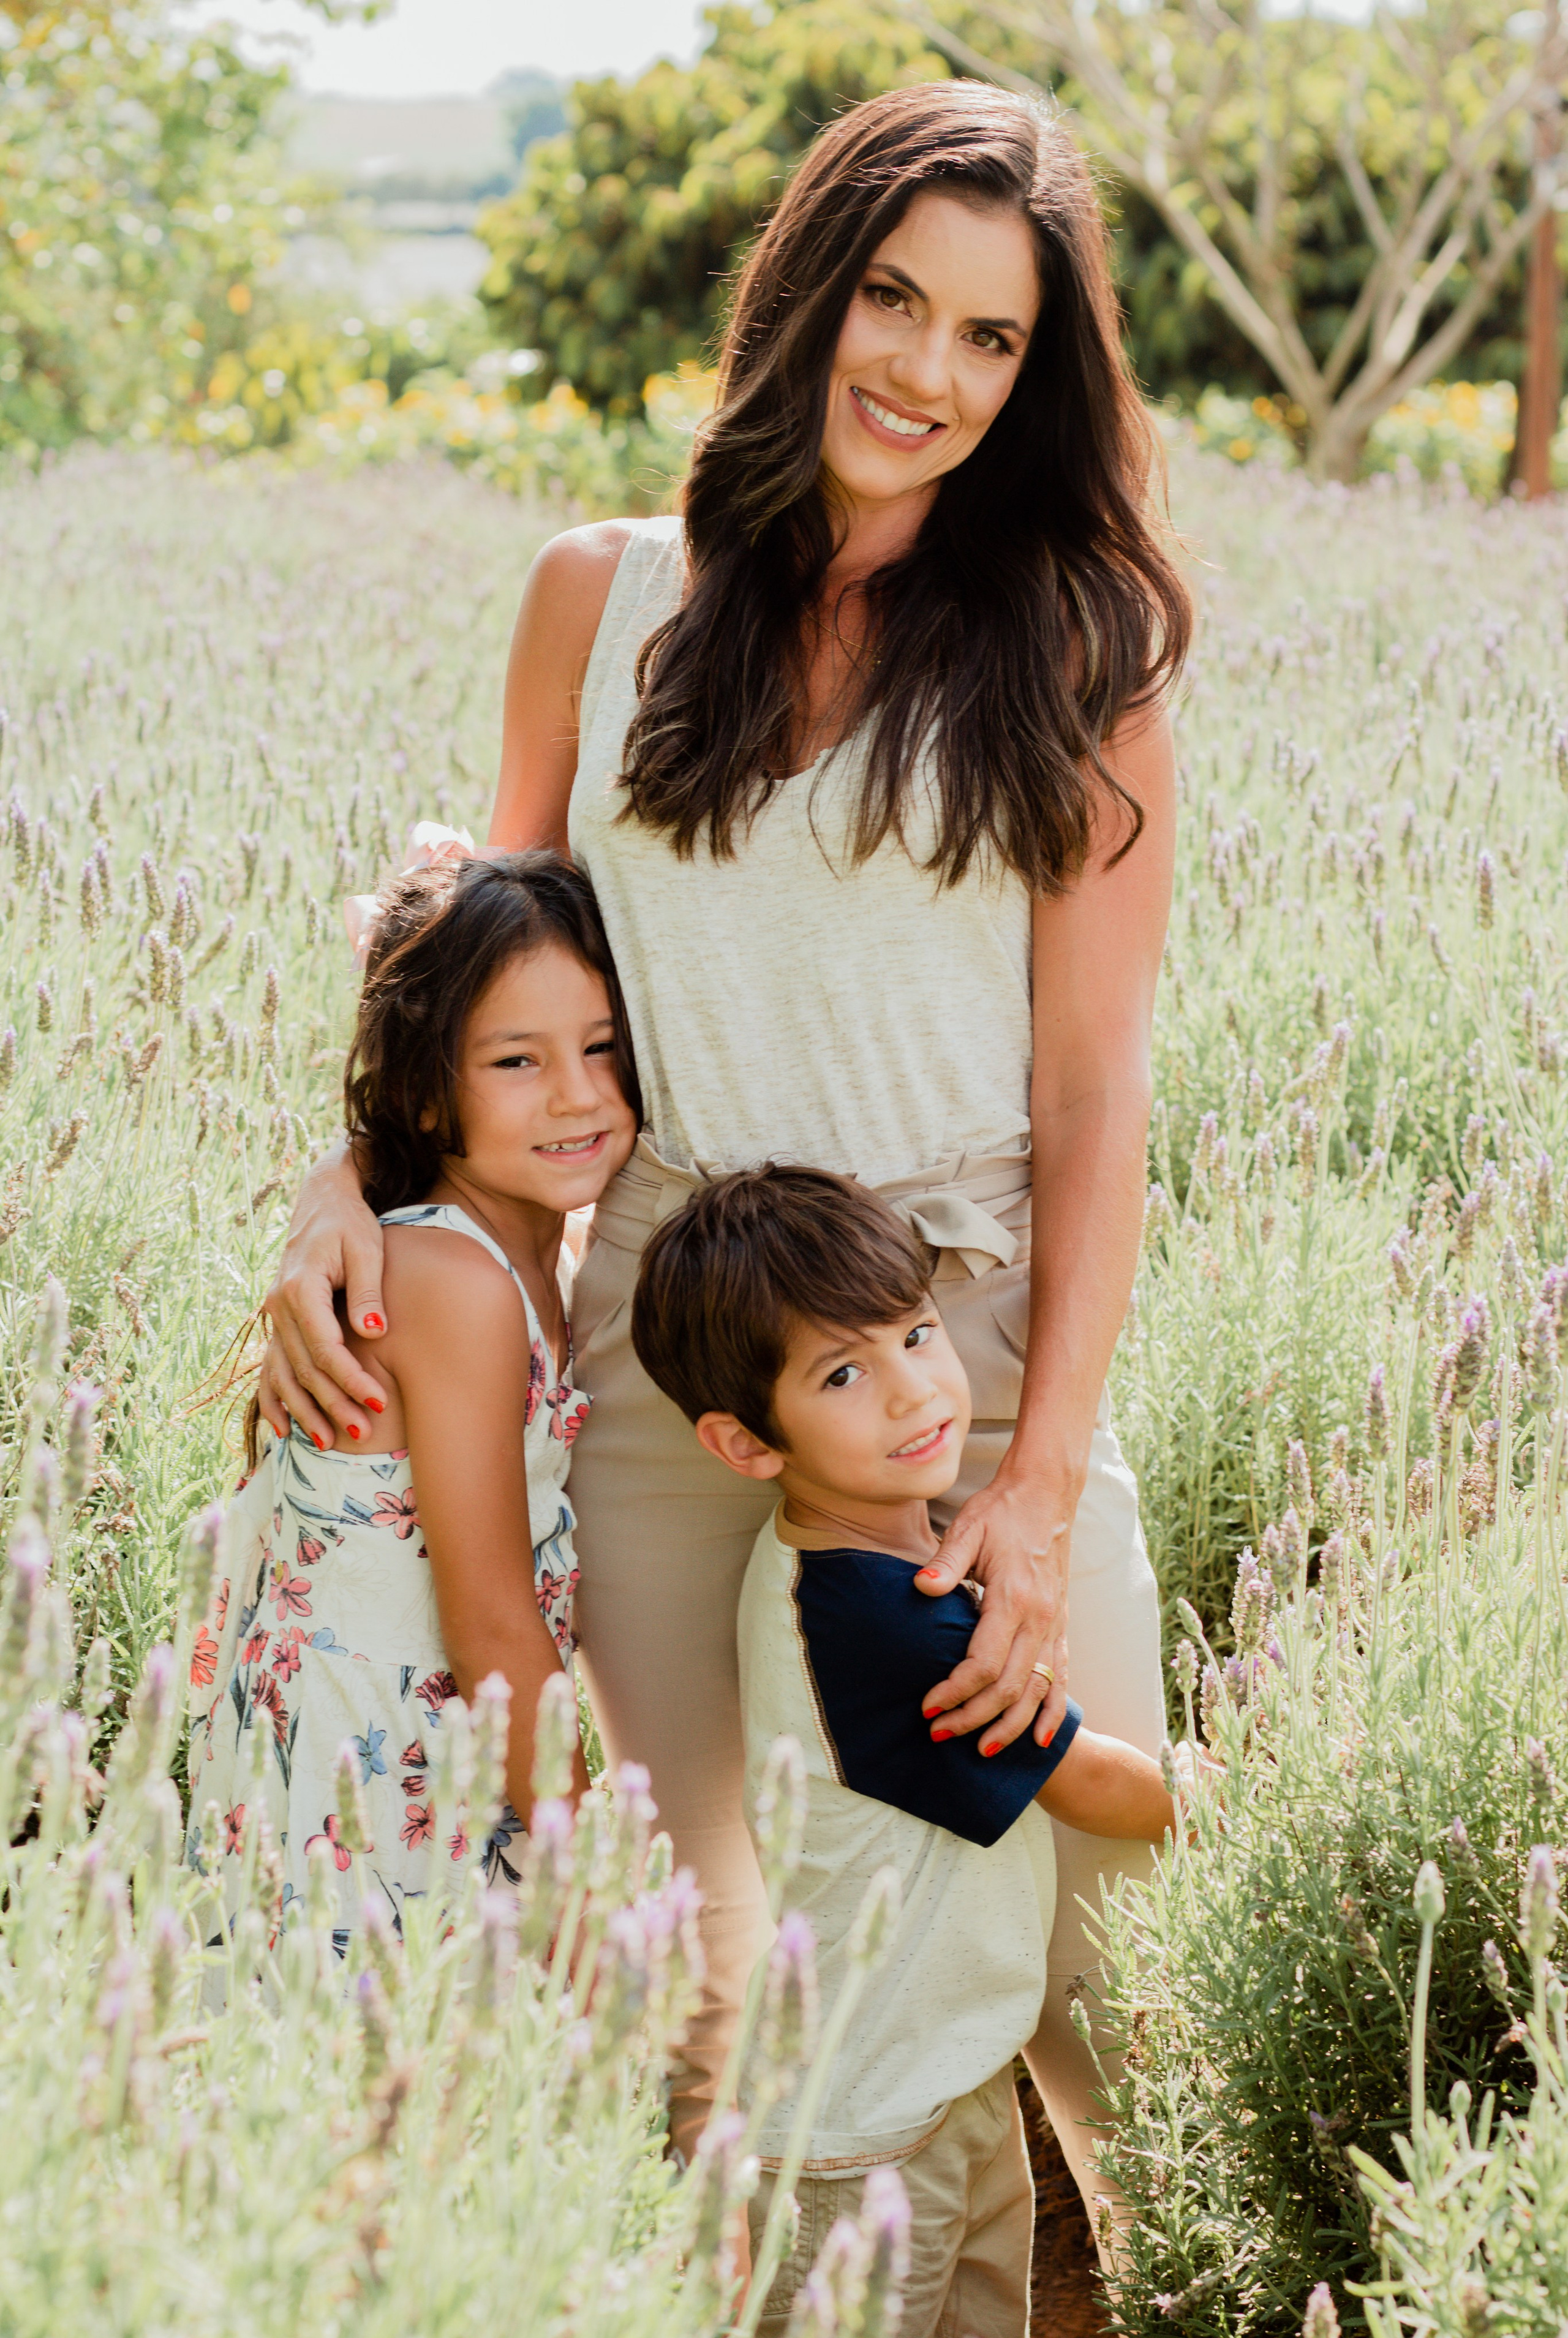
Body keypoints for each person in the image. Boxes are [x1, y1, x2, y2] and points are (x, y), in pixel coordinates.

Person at [253, 80, 1192, 2192]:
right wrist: (346, 1173)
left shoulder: (1078, 650)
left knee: (1096, 1965)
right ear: (807, 290)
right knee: (712, 1968)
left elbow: (1092, 1092)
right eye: (894, 299)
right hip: (674, 1366)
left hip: (964, 1352)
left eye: (992, 338)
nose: (929, 373)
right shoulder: (598, 598)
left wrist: (1034, 1492)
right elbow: (476, 979)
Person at [631, 1166, 1188, 2338]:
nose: (914, 1391)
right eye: (844, 1373)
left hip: (942, 2085)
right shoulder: (886, 1622)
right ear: (743, 1442)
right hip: (863, 2132)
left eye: (917, 1334)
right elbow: (1096, 1787)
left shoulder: (857, 1561)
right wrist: (1244, 1798)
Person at [189, 853, 639, 1936]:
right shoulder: (454, 1283)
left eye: (601, 1048)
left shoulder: (538, 1256)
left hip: (414, 1747)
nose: (577, 1093)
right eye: (516, 1062)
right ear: (429, 1088)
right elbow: (489, 1616)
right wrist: (586, 1882)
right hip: (376, 1770)